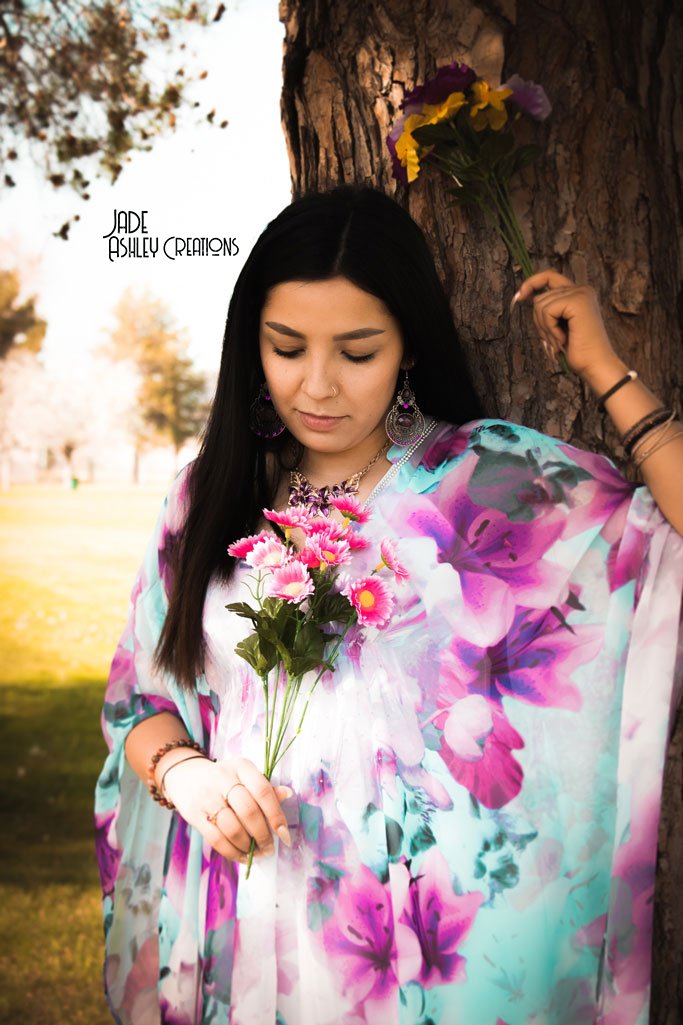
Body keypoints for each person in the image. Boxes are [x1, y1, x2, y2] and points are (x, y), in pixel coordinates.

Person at [94, 185, 683, 1025]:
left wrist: (607, 371)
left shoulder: (484, 483)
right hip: (250, 917)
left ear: (407, 347)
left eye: (357, 351)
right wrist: (186, 775)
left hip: (420, 952)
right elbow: (141, 702)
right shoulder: (209, 498)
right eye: (286, 347)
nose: (318, 384)